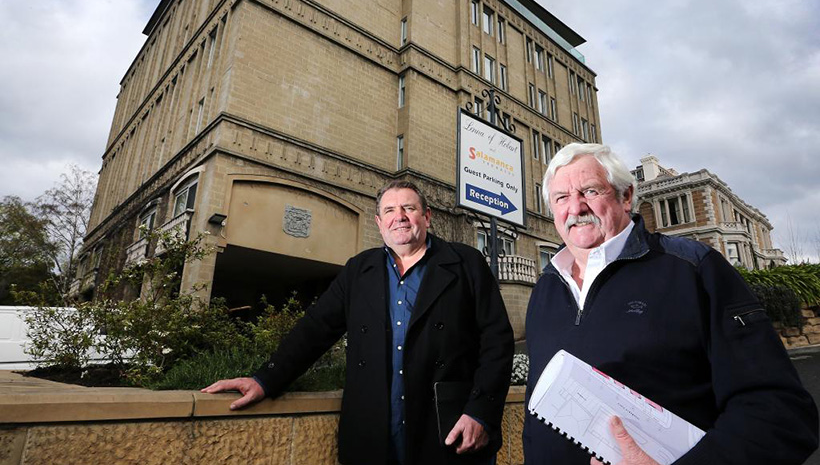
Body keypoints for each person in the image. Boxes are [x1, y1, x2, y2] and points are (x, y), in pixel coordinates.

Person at [523, 143, 818, 465]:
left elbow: (780, 412)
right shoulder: (545, 288)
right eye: (561, 198)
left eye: (590, 191)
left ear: (625, 196)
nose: (576, 208)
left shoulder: (693, 268)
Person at [203, 180, 514, 465]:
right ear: (379, 223)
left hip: (447, 429)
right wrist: (265, 380)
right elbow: (315, 329)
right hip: (373, 434)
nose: (400, 216)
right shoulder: (359, 271)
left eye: (409, 208)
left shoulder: (466, 263)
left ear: (427, 216)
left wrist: (481, 412)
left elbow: (497, 341)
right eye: (390, 210)